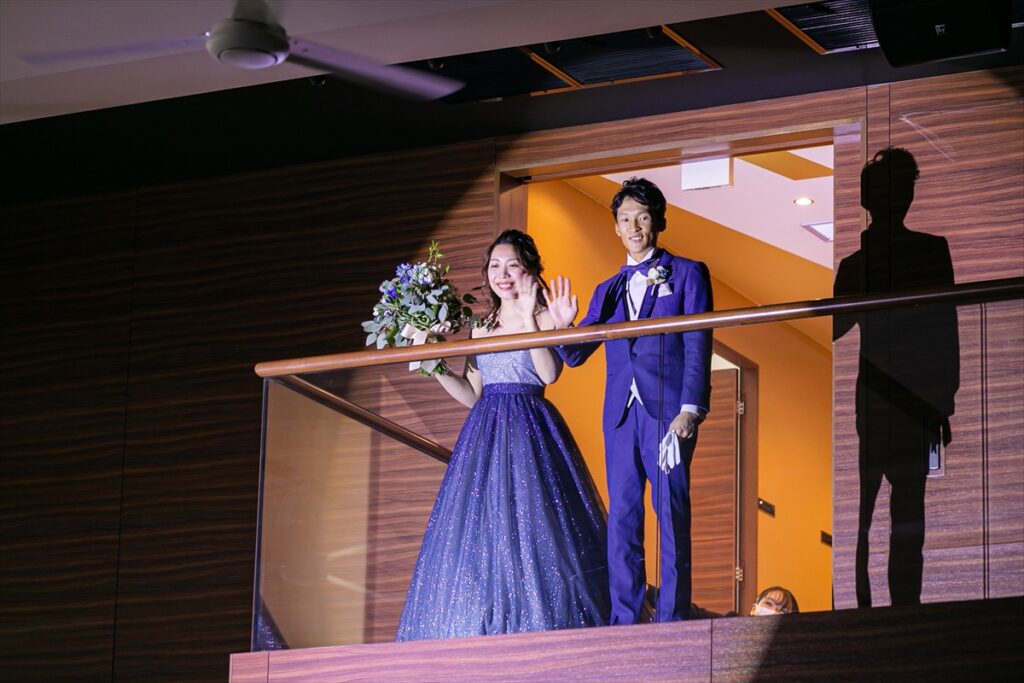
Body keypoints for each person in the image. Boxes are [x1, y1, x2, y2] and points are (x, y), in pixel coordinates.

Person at [395, 229, 610, 641]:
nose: (503, 274)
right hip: (486, 432)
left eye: (512, 265)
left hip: (530, 427)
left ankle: (542, 625)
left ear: (530, 269)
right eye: (495, 266)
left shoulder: (545, 316)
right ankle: (487, 626)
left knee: (536, 527)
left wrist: (530, 319)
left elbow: (549, 374)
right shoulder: (482, 326)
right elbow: (471, 394)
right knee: (485, 532)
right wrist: (433, 362)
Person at [544, 177, 713, 624]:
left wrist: (690, 410)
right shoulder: (609, 288)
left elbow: (698, 343)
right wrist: (562, 327)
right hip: (620, 415)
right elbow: (575, 355)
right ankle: (625, 618)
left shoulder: (688, 273)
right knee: (621, 516)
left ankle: (672, 618)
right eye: (625, 219)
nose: (634, 227)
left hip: (668, 414)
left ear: (658, 221)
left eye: (642, 217)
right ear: (615, 227)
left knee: (670, 512)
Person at [833, 147, 959, 607]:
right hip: (879, 395)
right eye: (892, 190)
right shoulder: (856, 263)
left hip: (912, 399)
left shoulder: (929, 250)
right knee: (871, 510)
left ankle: (903, 607)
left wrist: (943, 403)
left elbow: (945, 327)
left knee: (907, 511)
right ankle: (868, 606)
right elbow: (835, 326)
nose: (899, 198)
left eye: (903, 189)